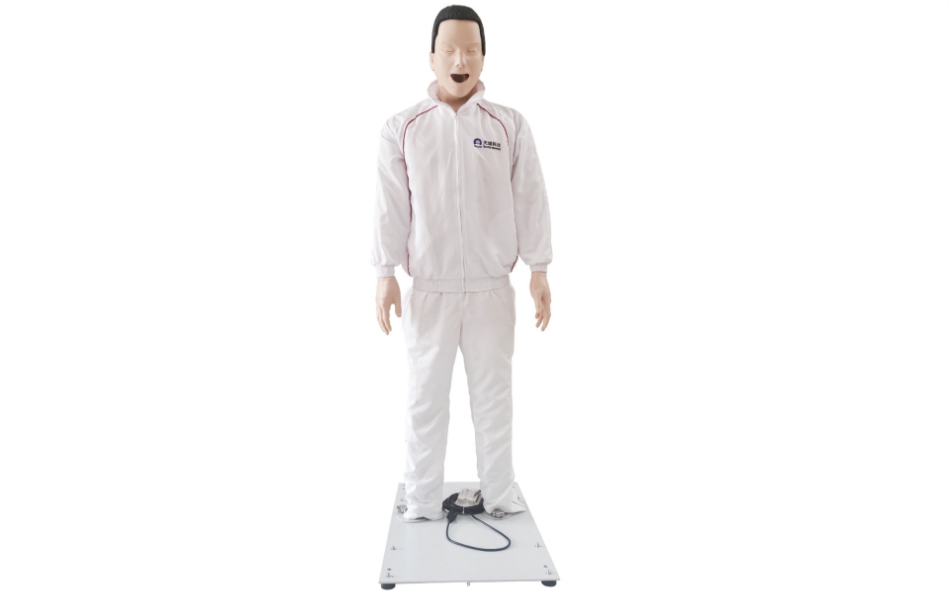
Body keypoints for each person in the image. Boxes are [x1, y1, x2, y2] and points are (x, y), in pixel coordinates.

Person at [370, 5, 552, 522]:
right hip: (430, 288)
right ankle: (422, 501)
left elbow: (530, 196)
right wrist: (384, 273)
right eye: (449, 50)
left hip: (493, 289)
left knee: (494, 398)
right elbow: (390, 205)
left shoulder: (508, 125)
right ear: (430, 58)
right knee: (425, 400)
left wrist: (539, 267)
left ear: (484, 58)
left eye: (471, 50)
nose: (460, 60)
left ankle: (499, 495)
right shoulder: (402, 128)